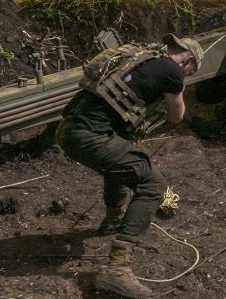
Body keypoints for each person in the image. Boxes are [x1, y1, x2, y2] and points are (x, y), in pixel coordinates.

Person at [57, 33, 204, 298]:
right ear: (188, 61)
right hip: (89, 135)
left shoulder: (140, 56)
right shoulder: (173, 70)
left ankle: (114, 219)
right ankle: (117, 269)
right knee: (153, 183)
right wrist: (178, 90)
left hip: (70, 128)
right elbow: (176, 116)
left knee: (122, 151)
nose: (188, 75)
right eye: (191, 71)